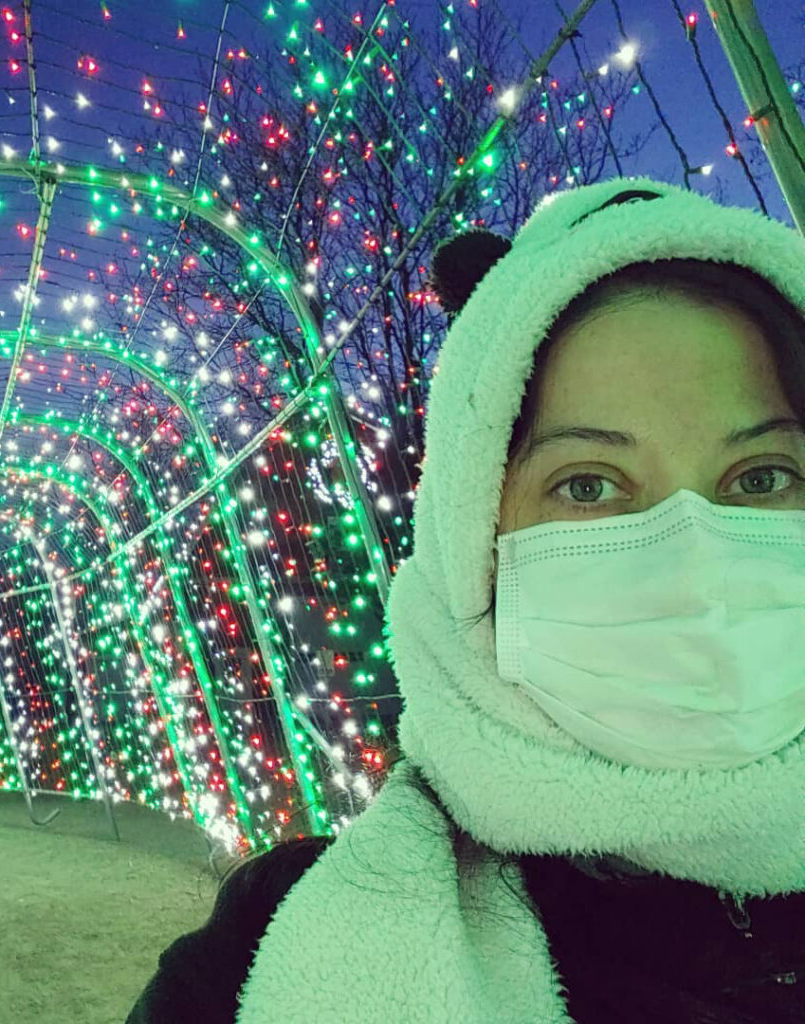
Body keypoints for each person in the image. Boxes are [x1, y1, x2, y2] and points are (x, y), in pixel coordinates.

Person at [127, 176, 805, 1023]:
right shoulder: (269, 953)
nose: (691, 564)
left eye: (761, 477)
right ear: (474, 538)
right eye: (588, 485)